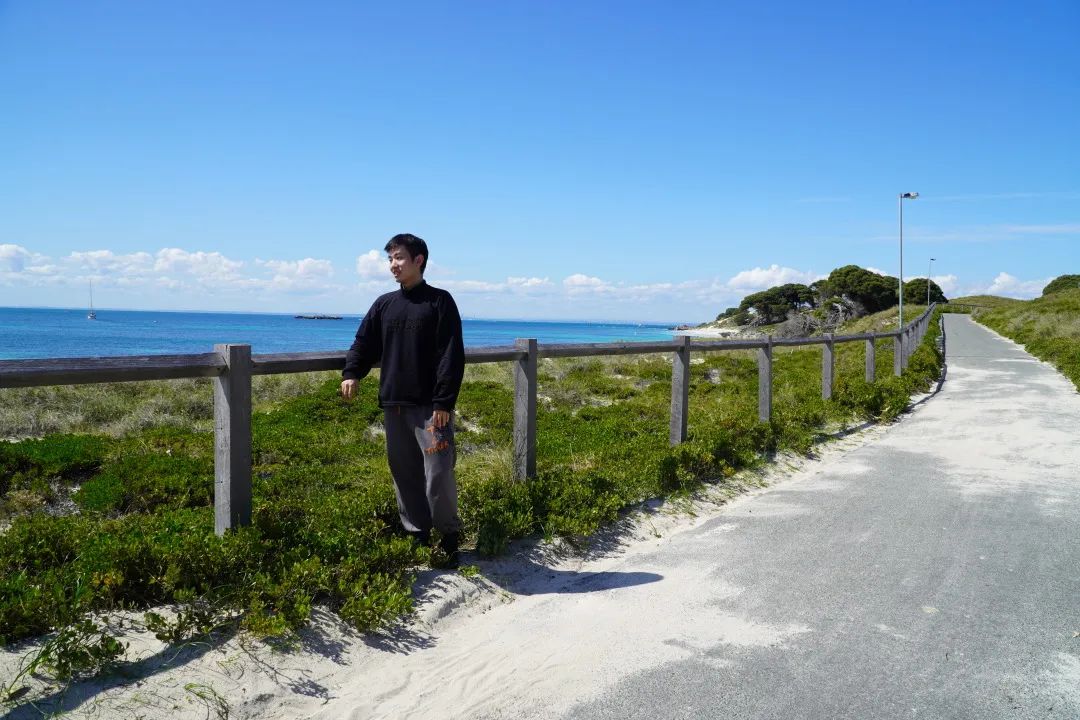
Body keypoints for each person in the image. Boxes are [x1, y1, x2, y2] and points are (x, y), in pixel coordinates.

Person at [340, 233, 465, 567]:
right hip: (394, 404)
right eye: (390, 259)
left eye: (399, 258)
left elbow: (451, 354)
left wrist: (444, 402)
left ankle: (449, 539)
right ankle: (417, 536)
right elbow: (363, 343)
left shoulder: (440, 301)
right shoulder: (384, 304)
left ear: (418, 260)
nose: (393, 265)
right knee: (404, 473)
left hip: (430, 408)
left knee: (439, 473)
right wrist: (352, 372)